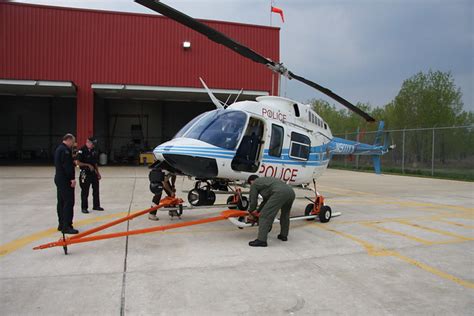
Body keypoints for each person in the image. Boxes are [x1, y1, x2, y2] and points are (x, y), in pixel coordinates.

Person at [247, 175, 295, 247]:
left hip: (279, 193)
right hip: (291, 192)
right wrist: (259, 210)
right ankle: (283, 235)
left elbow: (253, 199)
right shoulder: (267, 181)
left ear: (251, 181)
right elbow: (266, 201)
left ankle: (261, 240)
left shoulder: (254, 183)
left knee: (264, 216)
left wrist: (251, 210)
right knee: (285, 214)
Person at [54, 133, 78, 234]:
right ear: (68, 140)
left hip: (59, 178)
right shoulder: (65, 151)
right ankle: (67, 226)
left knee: (61, 202)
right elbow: (67, 167)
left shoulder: (59, 149)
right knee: (68, 202)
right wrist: (72, 179)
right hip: (65, 179)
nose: (73, 144)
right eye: (72, 142)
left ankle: (61, 224)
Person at [75, 137, 104, 213]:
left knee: (96, 190)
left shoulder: (94, 150)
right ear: (88, 142)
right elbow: (77, 162)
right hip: (84, 173)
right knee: (85, 190)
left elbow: (95, 163)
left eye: (94, 144)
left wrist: (98, 173)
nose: (93, 146)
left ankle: (96, 205)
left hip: (93, 173)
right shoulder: (81, 150)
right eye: (92, 144)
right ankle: (84, 207)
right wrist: (87, 165)